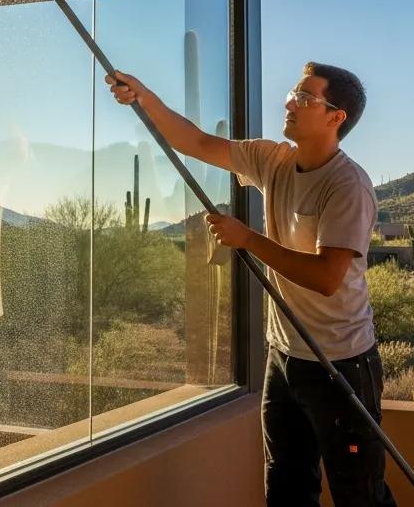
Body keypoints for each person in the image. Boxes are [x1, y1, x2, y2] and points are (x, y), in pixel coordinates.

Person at [106, 62, 395, 507]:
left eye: (305, 97)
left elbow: (326, 277)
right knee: (285, 490)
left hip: (341, 364)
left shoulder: (347, 184)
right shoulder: (271, 159)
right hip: (283, 357)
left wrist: (247, 239)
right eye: (294, 94)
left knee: (360, 496)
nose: (289, 102)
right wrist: (143, 96)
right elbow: (197, 142)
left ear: (336, 117)